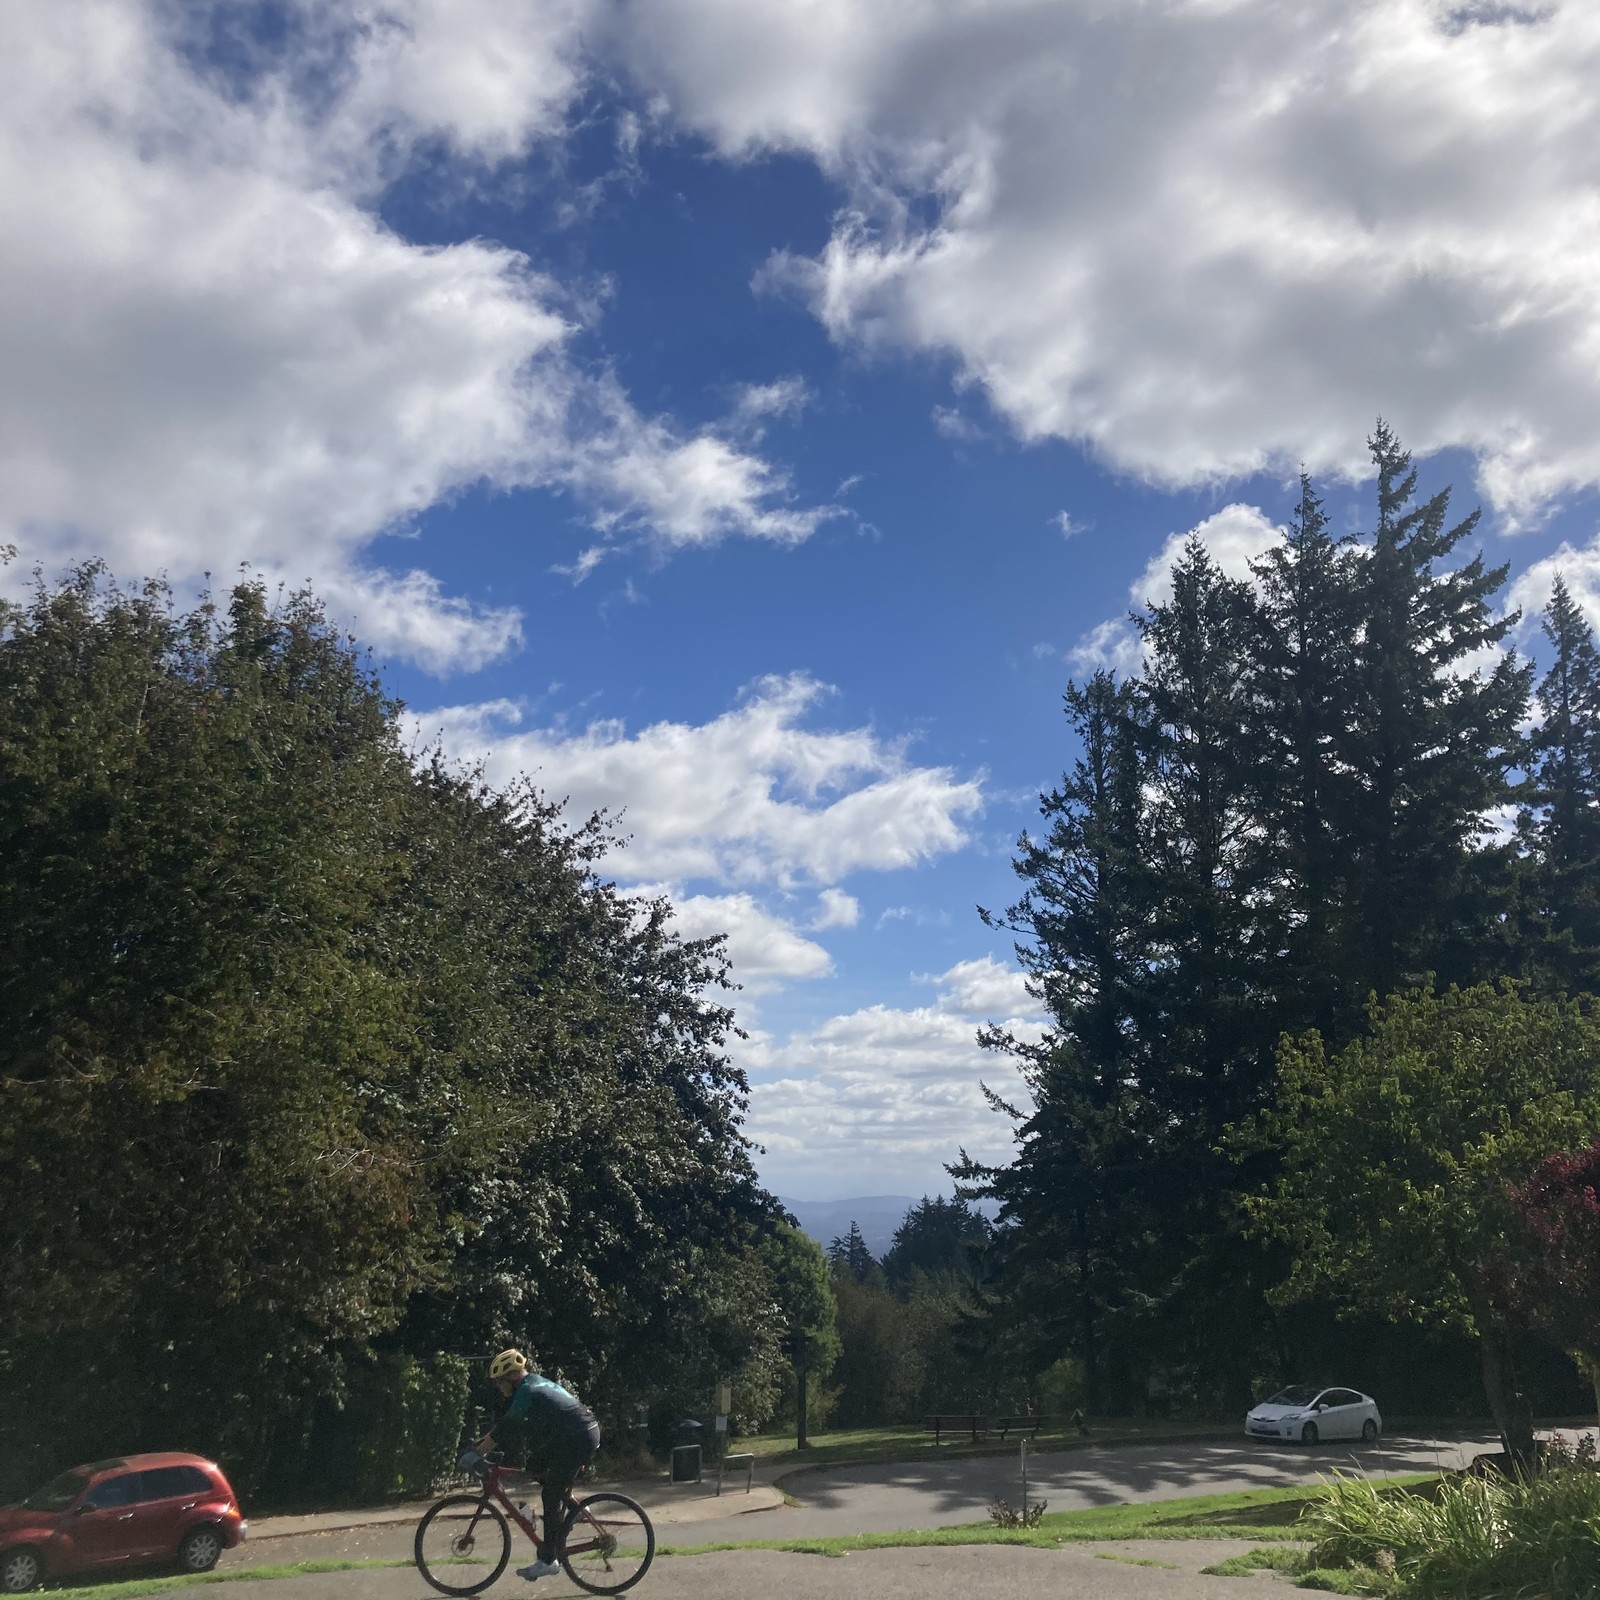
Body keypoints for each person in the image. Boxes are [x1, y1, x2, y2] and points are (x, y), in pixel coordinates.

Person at [471, 1349, 601, 1582]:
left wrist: (477, 1453)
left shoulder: (526, 1390)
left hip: (579, 1436)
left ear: (510, 1378)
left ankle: (549, 1561)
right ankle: (576, 1509)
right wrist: (479, 1446)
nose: (499, 1388)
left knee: (550, 1495)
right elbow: (508, 1423)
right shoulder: (532, 1383)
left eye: (499, 1383)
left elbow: (507, 1425)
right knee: (535, 1465)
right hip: (575, 1433)